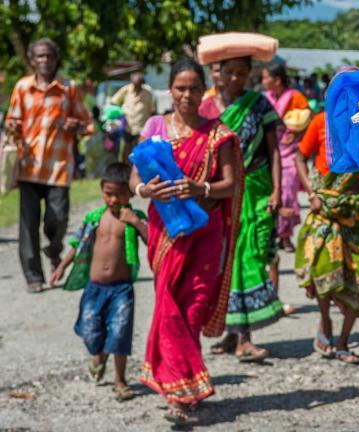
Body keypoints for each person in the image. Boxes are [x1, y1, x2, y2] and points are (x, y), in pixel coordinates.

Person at [129, 58, 241, 424]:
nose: (187, 95)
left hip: (205, 233)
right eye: (180, 88)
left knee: (191, 309)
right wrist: (146, 188)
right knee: (167, 306)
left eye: (194, 88)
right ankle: (181, 389)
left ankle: (180, 389)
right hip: (166, 234)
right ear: (170, 90)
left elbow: (231, 185)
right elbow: (134, 180)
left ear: (203, 88)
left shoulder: (217, 133)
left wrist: (200, 187)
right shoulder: (155, 128)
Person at [198, 55, 285, 362]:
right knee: (225, 261)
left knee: (250, 257)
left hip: (257, 190)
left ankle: (246, 338)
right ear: (215, 73)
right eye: (228, 71)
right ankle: (232, 332)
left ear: (249, 75)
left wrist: (277, 189)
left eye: (241, 72)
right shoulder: (204, 108)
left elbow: (274, 151)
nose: (234, 78)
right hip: (221, 195)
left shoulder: (259, 105)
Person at [295, 82, 359, 364]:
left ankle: (344, 340)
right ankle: (325, 322)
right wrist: (311, 192)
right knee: (323, 267)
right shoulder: (320, 122)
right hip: (325, 209)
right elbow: (300, 157)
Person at [50, 162, 148, 402]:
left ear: (130, 193)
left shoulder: (134, 218)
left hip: (122, 289)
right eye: (109, 194)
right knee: (90, 330)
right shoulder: (94, 218)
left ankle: (120, 380)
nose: (114, 200)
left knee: (120, 332)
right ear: (101, 190)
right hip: (94, 288)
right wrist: (62, 266)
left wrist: (135, 222)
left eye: (120, 194)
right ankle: (99, 355)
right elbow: (77, 244)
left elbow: (151, 240)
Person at [4, 38, 91, 293]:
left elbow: (87, 125)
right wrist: (11, 126)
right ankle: (33, 276)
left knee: (58, 219)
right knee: (28, 224)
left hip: (58, 166)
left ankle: (54, 250)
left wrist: (76, 126)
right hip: (29, 166)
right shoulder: (22, 87)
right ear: (32, 60)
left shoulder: (68, 88)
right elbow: (12, 120)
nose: (44, 61)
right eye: (39, 56)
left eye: (49, 56)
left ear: (56, 59)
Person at [262, 63, 309, 252]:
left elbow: (308, 118)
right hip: (269, 149)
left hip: (289, 151)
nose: (263, 81)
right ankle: (272, 231)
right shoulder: (265, 99)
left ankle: (286, 235)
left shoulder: (295, 97)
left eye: (266, 77)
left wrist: (298, 133)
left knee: (287, 192)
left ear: (277, 80)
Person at [110, 71, 154, 163]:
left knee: (139, 151)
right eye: (135, 85)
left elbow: (151, 109)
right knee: (126, 149)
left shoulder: (147, 92)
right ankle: (126, 169)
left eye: (139, 85)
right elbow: (114, 101)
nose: (136, 87)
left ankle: (137, 171)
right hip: (127, 127)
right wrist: (118, 112)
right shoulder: (126, 90)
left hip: (142, 127)